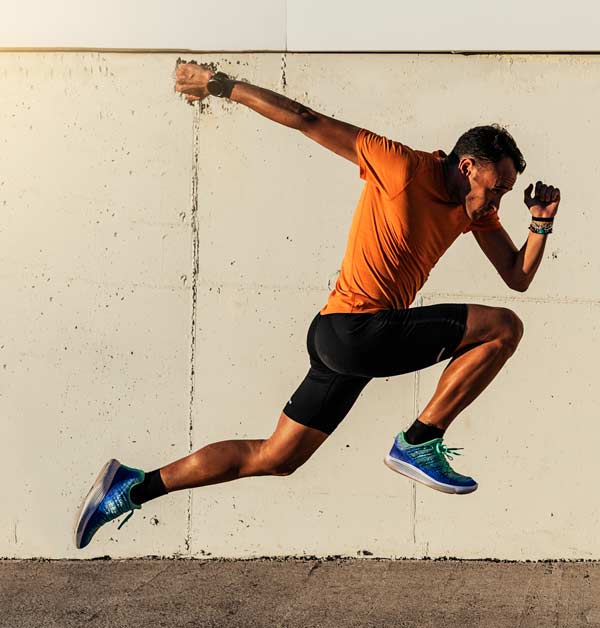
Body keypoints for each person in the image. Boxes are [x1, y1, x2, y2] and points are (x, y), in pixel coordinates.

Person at [74, 63, 562, 549]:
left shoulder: (474, 211)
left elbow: (517, 275)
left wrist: (539, 224)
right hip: (355, 330)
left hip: (341, 340)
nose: (497, 199)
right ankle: (420, 440)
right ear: (467, 166)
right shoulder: (401, 166)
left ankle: (130, 488)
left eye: (504, 193)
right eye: (496, 186)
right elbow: (305, 118)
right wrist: (220, 86)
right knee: (503, 328)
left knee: (275, 457)